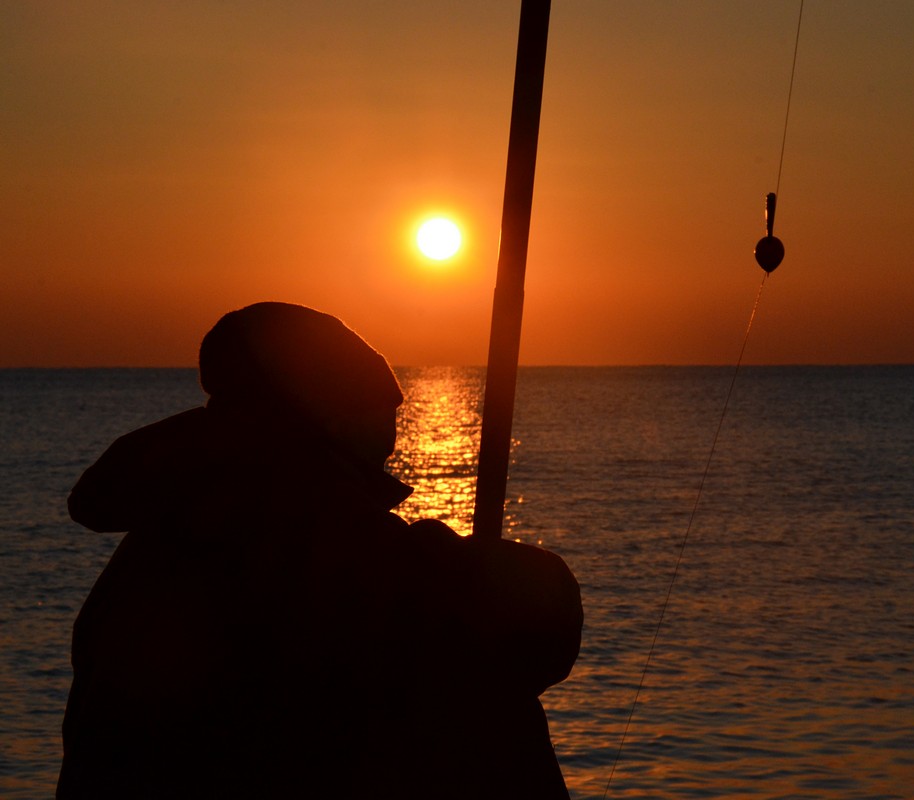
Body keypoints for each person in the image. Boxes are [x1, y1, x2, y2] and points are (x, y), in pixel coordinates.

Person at [57, 302, 582, 798]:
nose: (392, 433)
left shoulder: (168, 531)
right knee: (487, 705)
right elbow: (538, 629)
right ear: (329, 413)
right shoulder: (311, 528)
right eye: (380, 409)